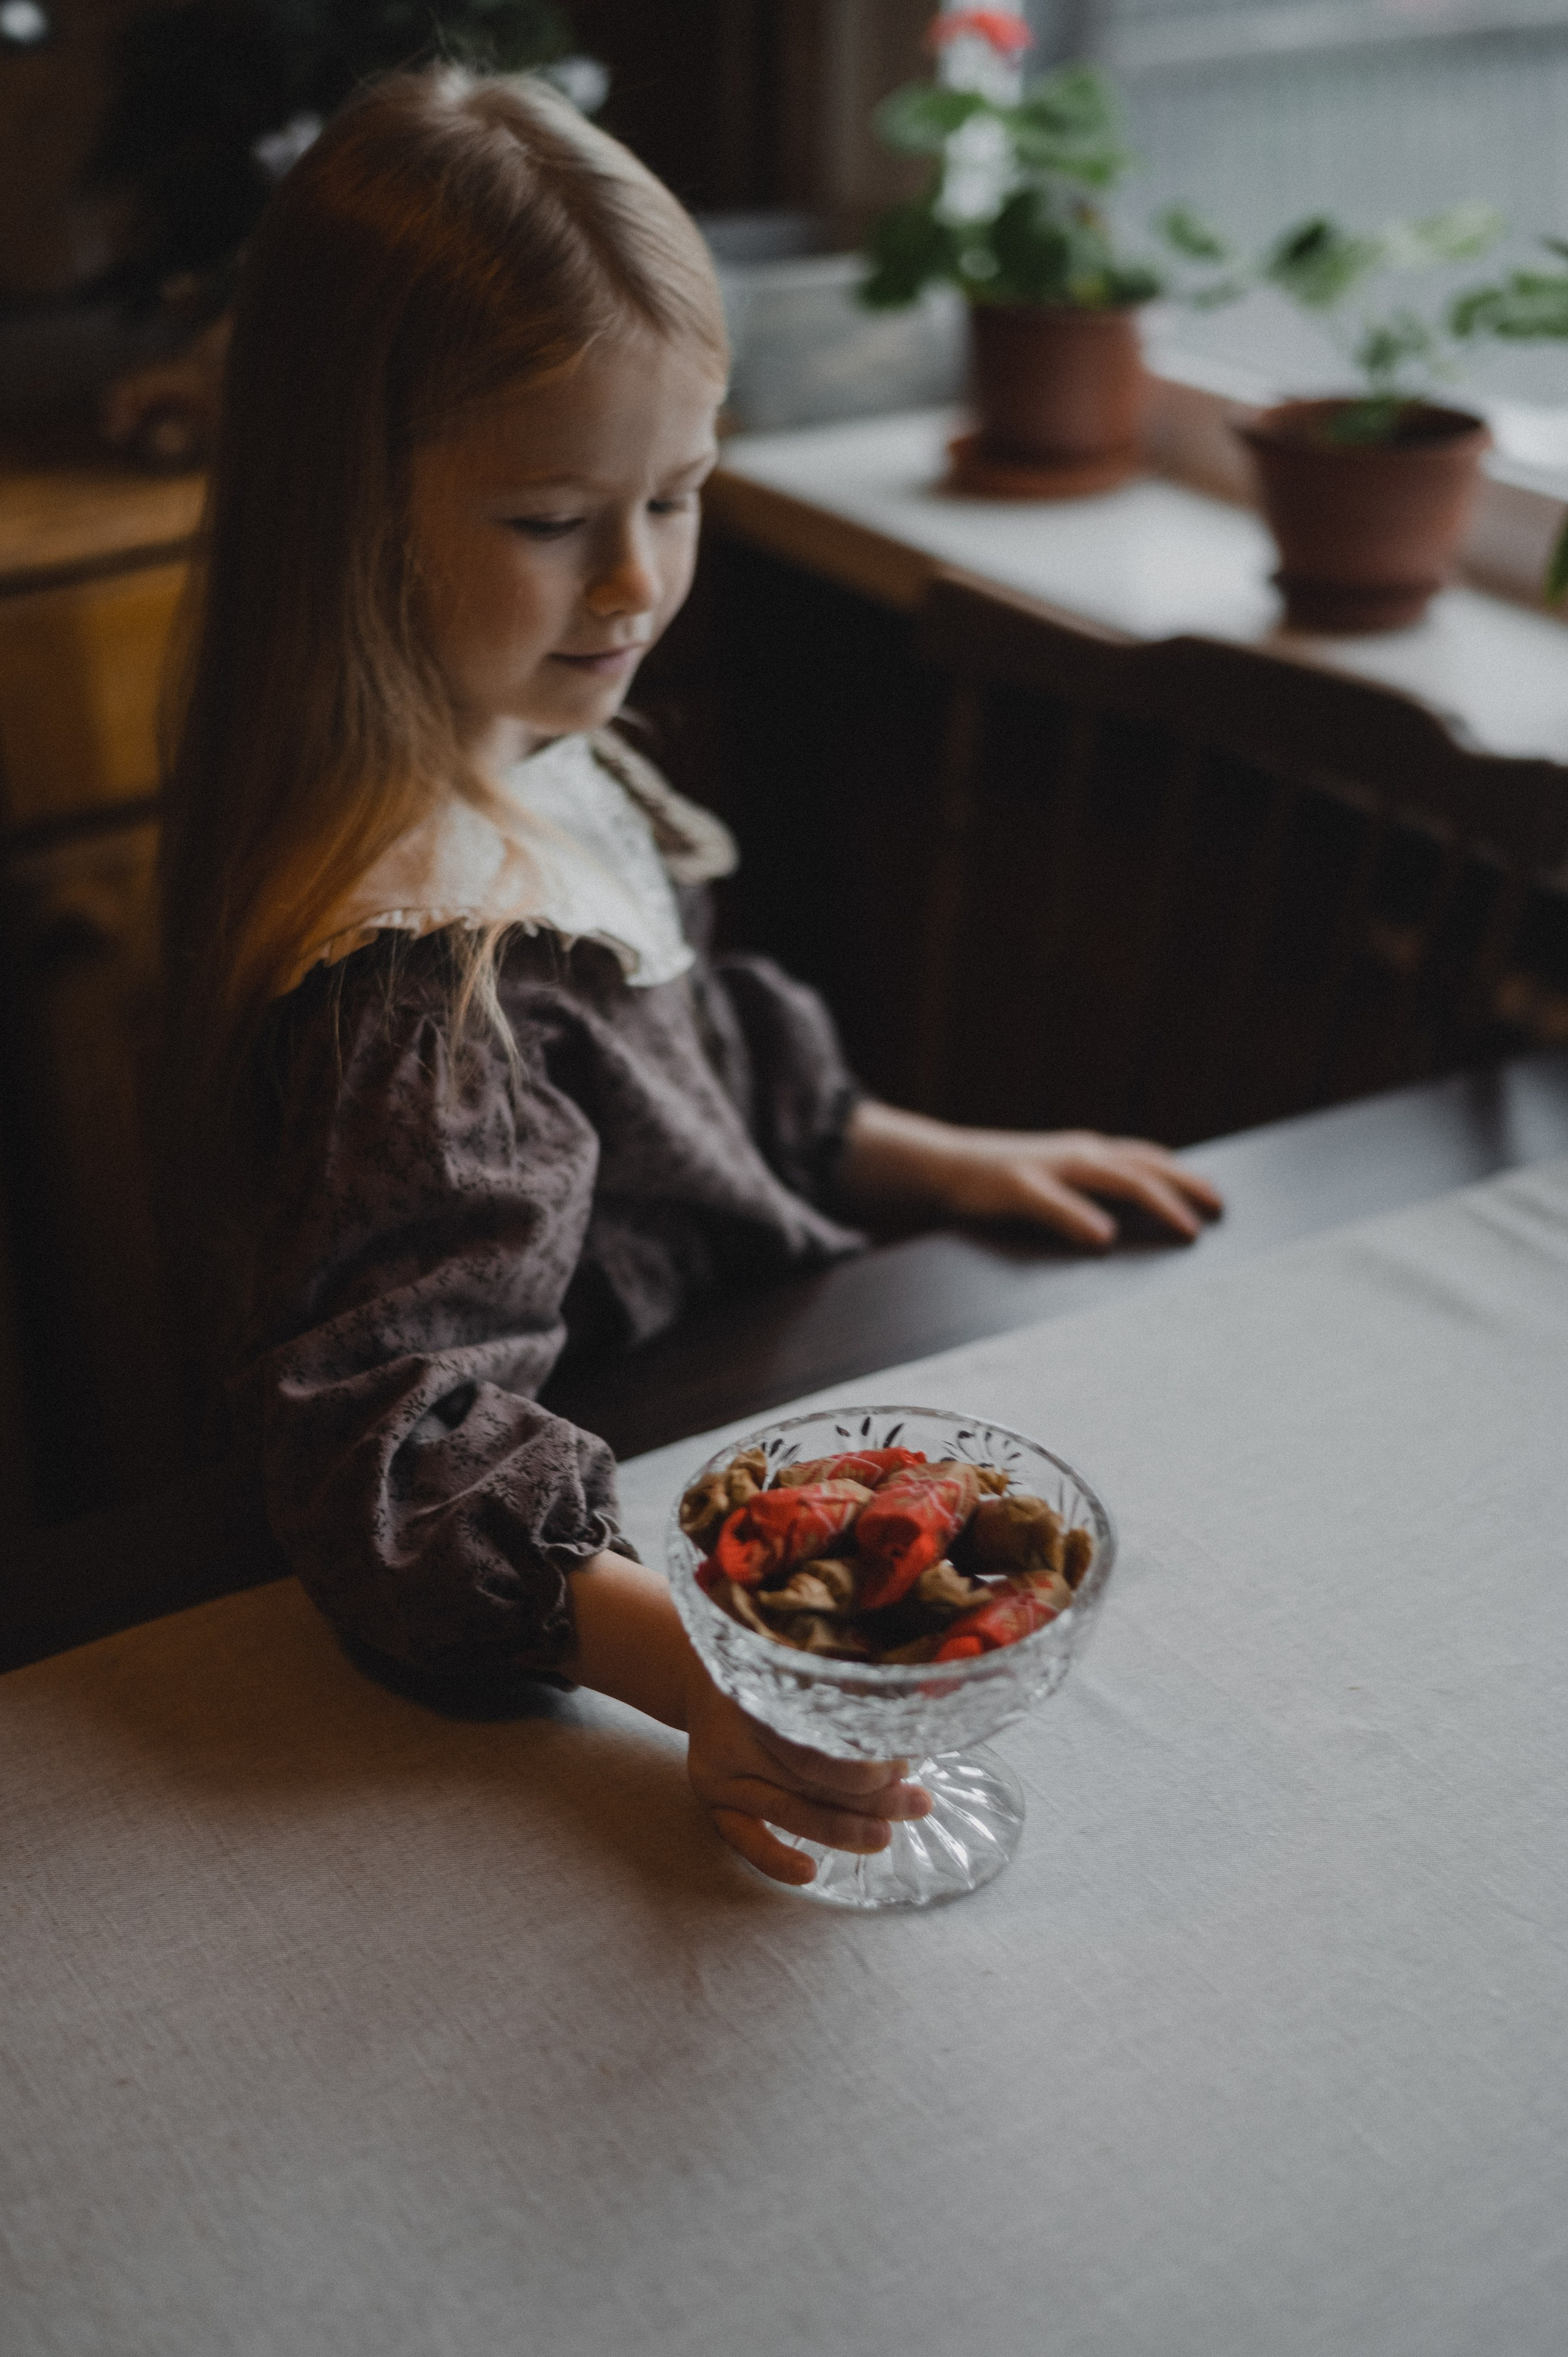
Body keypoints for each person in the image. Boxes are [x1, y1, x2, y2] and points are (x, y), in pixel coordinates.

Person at [157, 68, 1220, 1890]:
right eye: (551, 517)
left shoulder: (531, 744)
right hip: (612, 1561)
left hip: (746, 1401)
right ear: (349, 514)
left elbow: (698, 1081)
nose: (637, 582)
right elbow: (385, 1455)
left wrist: (943, 1156)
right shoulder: (419, 986)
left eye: (680, 492)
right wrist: (707, 1677)